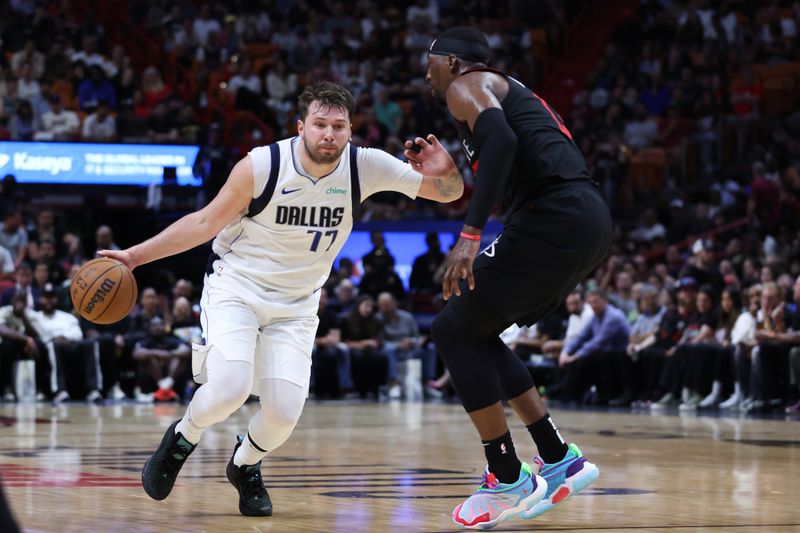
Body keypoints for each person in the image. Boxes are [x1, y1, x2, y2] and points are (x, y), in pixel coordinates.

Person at [100, 81, 464, 517]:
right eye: (319, 124)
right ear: (301, 127)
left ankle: (244, 464)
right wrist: (134, 257)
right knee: (230, 386)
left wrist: (449, 171)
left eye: (338, 126)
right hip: (237, 287)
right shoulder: (262, 164)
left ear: (351, 130)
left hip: (297, 305)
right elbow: (202, 223)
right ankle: (182, 438)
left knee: (283, 416)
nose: (328, 134)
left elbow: (448, 193)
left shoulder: (365, 166)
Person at [422, 27, 612, 529]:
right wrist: (453, 178)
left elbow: (502, 140)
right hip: (586, 219)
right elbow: (507, 155)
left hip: (553, 216)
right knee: (475, 328)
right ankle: (556, 455)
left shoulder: (469, 85)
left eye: (432, 63)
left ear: (456, 63)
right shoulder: (507, 90)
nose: (427, 74)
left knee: (450, 328)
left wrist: (469, 233)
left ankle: (505, 474)